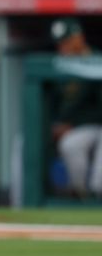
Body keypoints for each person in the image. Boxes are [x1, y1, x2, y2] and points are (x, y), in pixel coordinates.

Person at [49, 18, 102, 199]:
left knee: (74, 144)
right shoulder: (59, 65)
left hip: (94, 124)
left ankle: (95, 194)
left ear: (79, 38)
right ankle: (80, 195)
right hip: (72, 128)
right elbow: (52, 104)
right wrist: (55, 125)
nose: (63, 48)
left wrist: (73, 123)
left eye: (67, 41)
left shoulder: (97, 60)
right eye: (60, 44)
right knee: (70, 144)